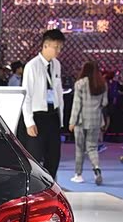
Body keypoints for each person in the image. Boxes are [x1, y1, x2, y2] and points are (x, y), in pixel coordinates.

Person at [21, 28, 66, 178]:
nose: (58, 51)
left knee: (54, 157)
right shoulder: (32, 66)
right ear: (45, 45)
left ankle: (50, 186)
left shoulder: (56, 65)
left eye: (60, 47)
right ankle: (35, 187)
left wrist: (60, 118)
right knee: (35, 158)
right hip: (38, 116)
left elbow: (58, 91)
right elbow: (27, 95)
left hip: (53, 116)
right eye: (56, 47)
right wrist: (29, 122)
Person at [69, 61, 107, 185]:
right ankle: (96, 168)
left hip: (81, 121)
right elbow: (104, 103)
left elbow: (77, 105)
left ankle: (78, 175)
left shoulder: (80, 84)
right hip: (96, 120)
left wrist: (72, 121)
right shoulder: (102, 84)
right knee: (92, 147)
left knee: (79, 148)